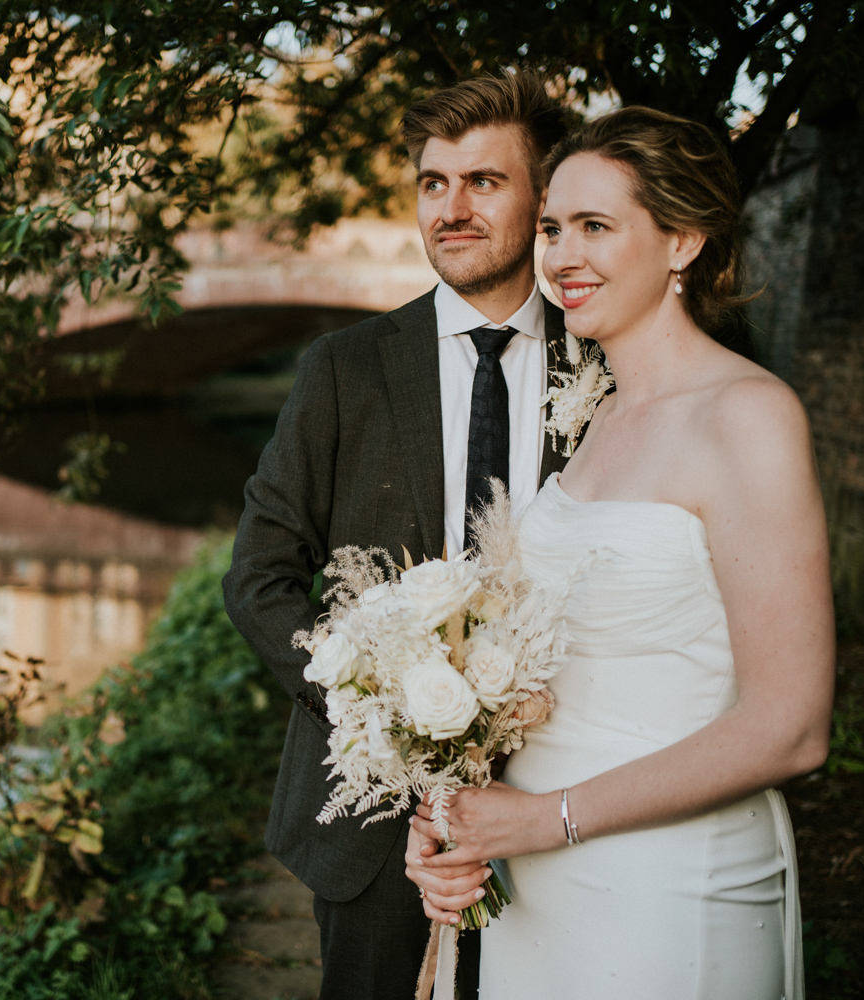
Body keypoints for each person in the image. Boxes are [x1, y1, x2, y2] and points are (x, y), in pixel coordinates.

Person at [405, 106, 835, 999]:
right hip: (533, 880)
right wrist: (457, 812)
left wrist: (548, 820)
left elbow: (790, 725)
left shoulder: (747, 416)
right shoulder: (596, 415)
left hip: (667, 883)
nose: (562, 256)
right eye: (555, 227)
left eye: (597, 227)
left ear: (682, 241)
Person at [222, 74, 580, 1000]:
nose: (451, 209)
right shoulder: (344, 369)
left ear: (543, 198)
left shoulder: (606, 367)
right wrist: (382, 721)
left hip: (569, 802)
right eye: (432, 183)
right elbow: (259, 578)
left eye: (483, 182)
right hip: (372, 836)